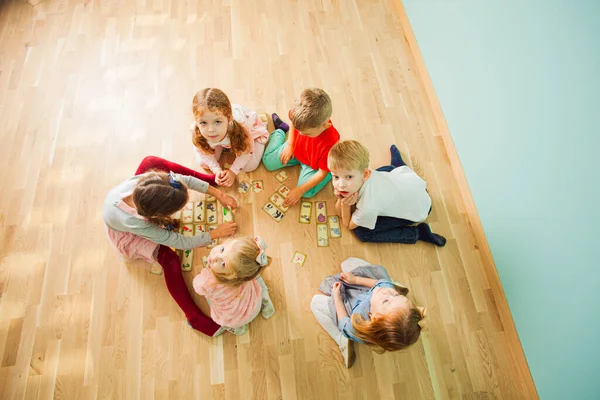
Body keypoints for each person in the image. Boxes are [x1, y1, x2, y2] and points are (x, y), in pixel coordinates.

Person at [102, 156, 237, 336]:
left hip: (138, 203)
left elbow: (185, 181)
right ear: (158, 216)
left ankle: (212, 179)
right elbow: (178, 242)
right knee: (170, 259)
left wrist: (219, 194)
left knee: (150, 161)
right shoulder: (140, 224)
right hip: (126, 230)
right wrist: (215, 233)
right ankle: (194, 318)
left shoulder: (155, 183)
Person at [311, 257, 426, 368]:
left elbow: (344, 323)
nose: (387, 292)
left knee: (315, 303)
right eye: (397, 294)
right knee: (349, 263)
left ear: (374, 317)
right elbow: (380, 283)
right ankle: (395, 285)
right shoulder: (385, 291)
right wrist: (356, 280)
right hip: (365, 292)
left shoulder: (356, 325)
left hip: (351, 307)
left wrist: (337, 298)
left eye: (386, 301)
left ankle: (341, 339)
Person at [328, 140, 446, 246]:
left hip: (418, 209)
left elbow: (347, 224)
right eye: (336, 177)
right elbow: (340, 211)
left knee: (362, 233)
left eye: (349, 176)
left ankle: (418, 233)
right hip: (410, 184)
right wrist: (342, 197)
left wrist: (345, 203)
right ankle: (397, 167)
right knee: (382, 172)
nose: (340, 185)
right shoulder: (368, 175)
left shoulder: (368, 207)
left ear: (365, 175)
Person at [262, 88, 340, 206]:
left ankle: (331, 171)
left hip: (315, 165)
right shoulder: (299, 115)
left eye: (307, 133)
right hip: (296, 150)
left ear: (325, 125)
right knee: (268, 162)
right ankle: (280, 131)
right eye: (299, 130)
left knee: (306, 192)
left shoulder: (330, 143)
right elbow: (294, 124)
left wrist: (299, 190)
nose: (301, 134)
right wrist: (290, 145)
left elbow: (321, 173)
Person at [193, 236, 275, 335]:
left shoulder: (208, 283)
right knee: (256, 279)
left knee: (211, 300)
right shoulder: (244, 274)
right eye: (222, 249)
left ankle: (238, 330)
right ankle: (266, 303)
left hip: (234, 319)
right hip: (253, 305)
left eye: (223, 264)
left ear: (232, 275)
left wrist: (201, 277)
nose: (214, 257)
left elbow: (197, 286)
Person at [192, 88, 271, 187]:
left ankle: (260, 118)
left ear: (229, 119)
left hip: (245, 132)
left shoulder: (242, 128)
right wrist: (217, 170)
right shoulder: (197, 130)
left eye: (217, 122)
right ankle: (222, 142)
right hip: (224, 138)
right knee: (203, 163)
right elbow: (202, 151)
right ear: (196, 121)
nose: (210, 130)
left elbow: (247, 150)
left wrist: (233, 171)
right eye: (203, 123)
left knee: (250, 166)